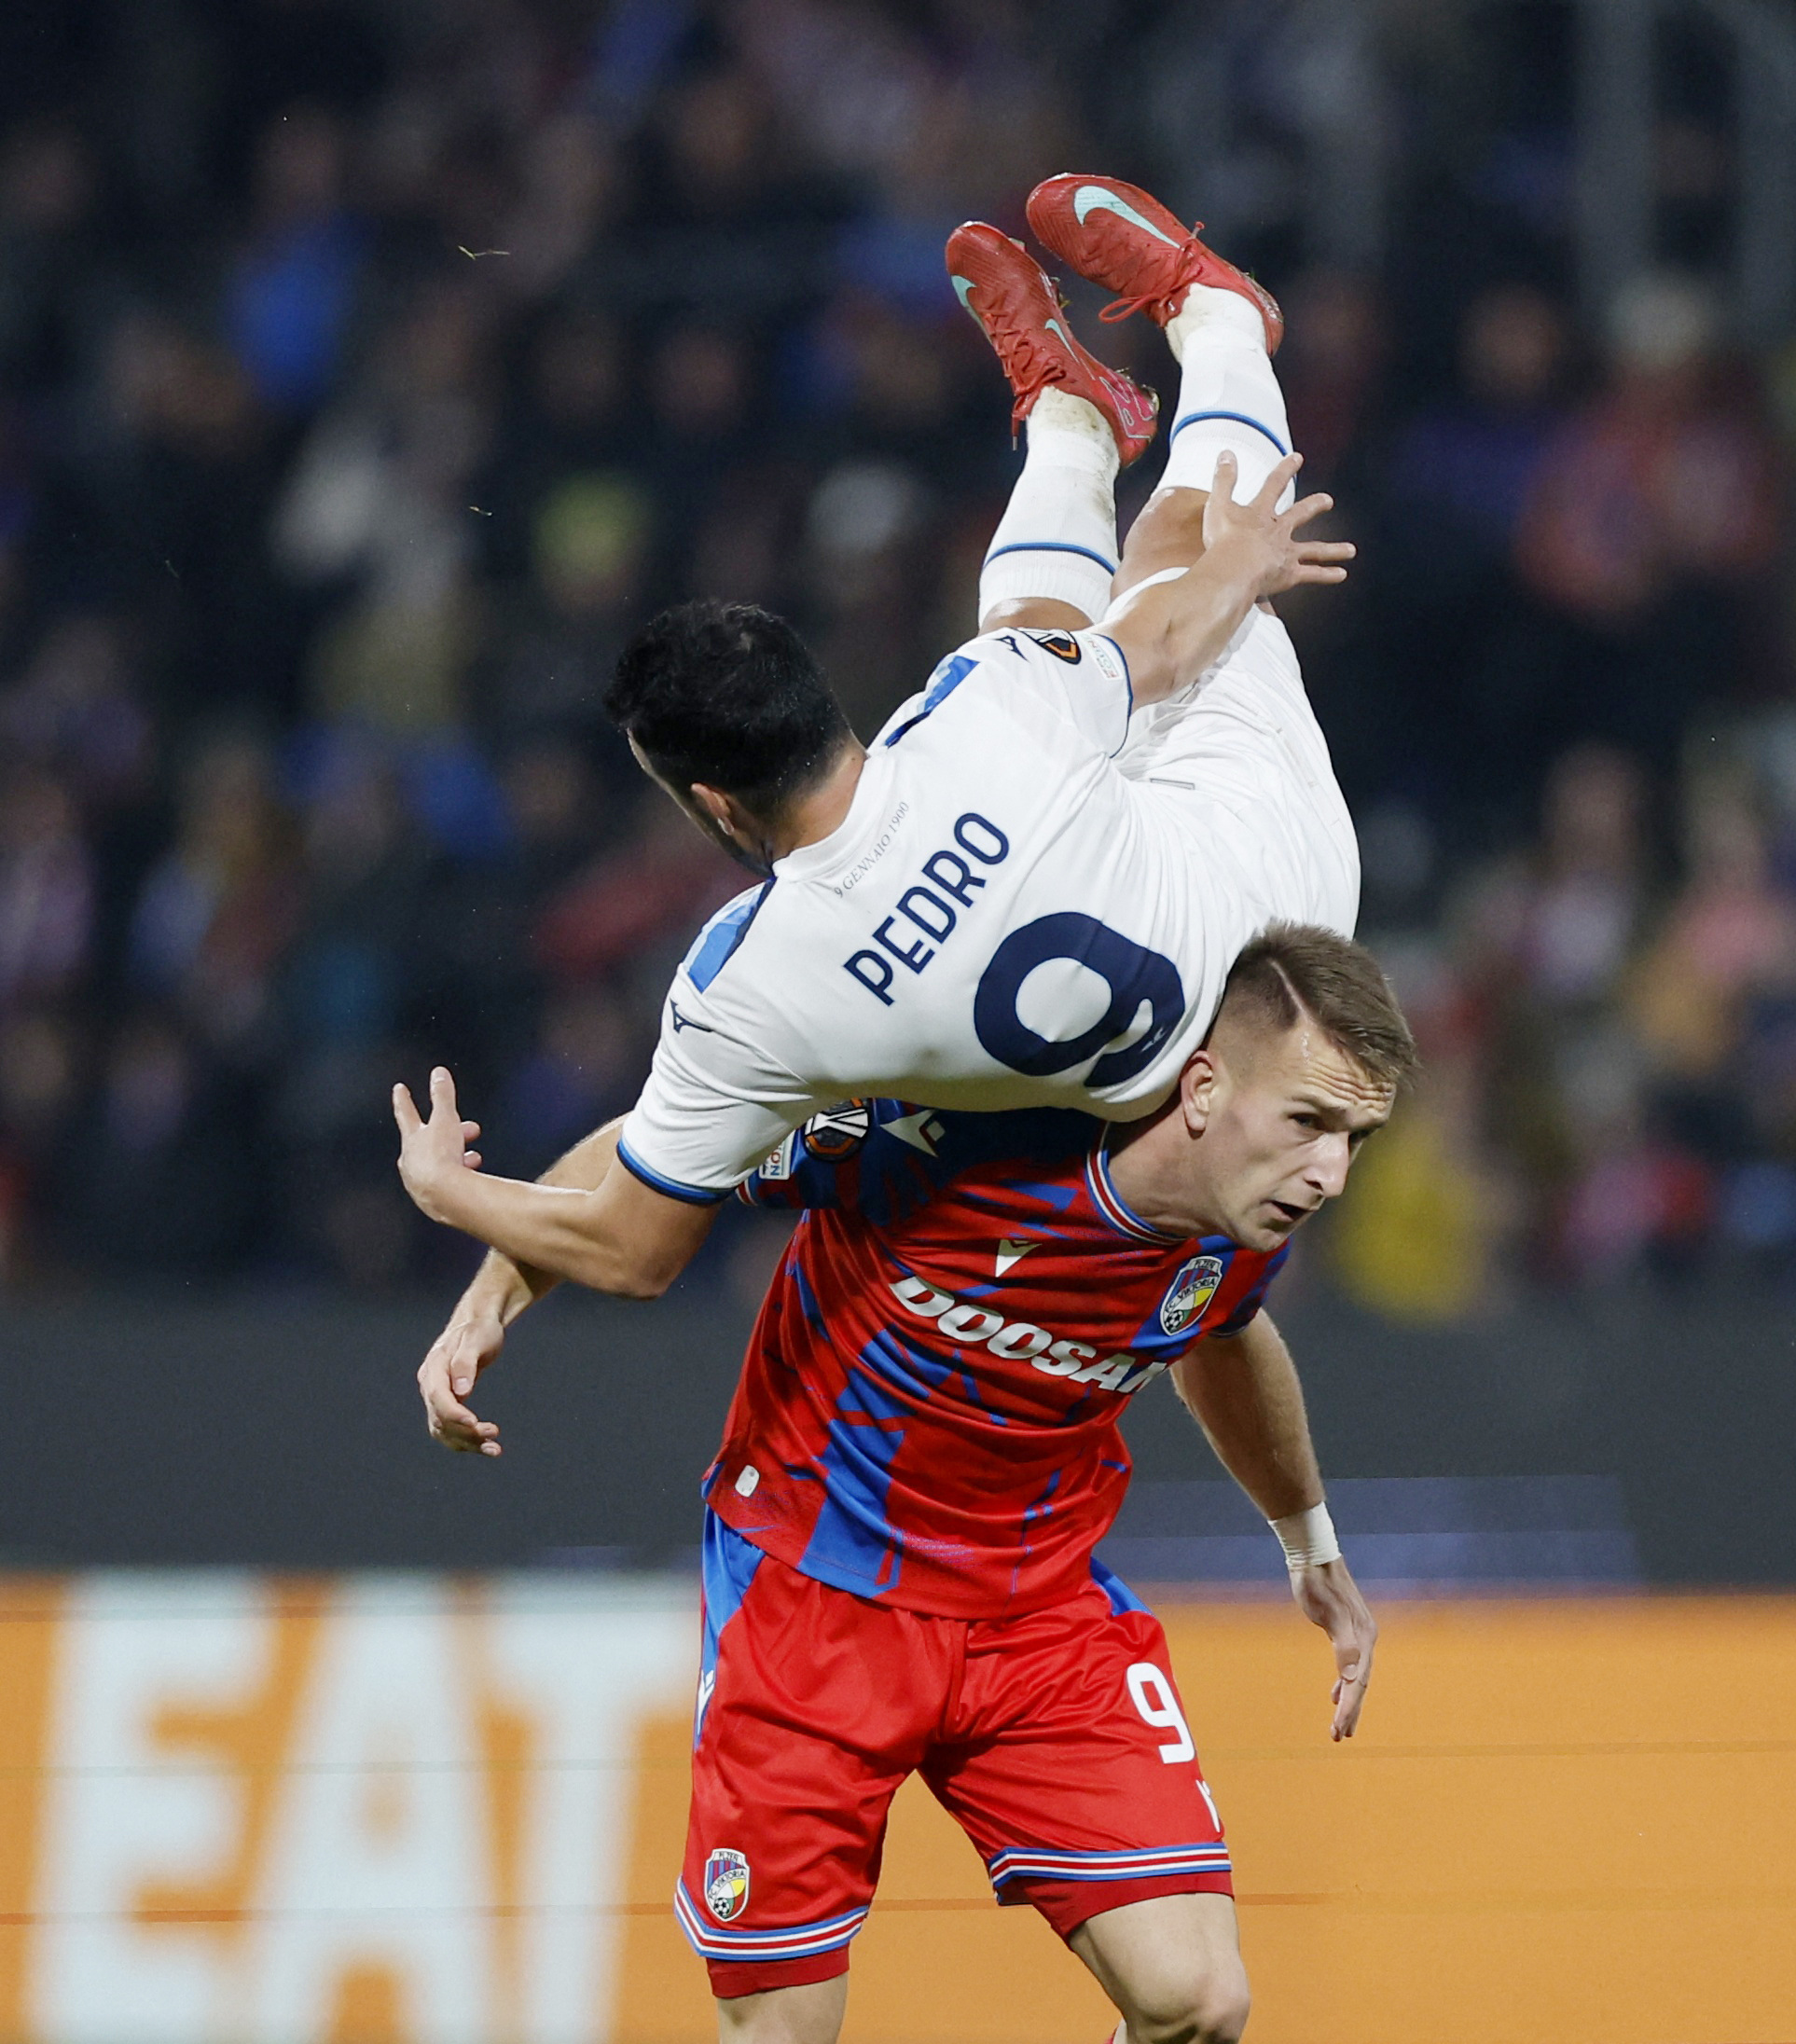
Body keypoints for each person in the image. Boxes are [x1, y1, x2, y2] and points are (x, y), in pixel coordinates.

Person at [654, 925, 1411, 2044]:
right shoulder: (953, 1128)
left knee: (1202, 2004)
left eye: (1357, 1138)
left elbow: (1222, 1329)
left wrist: (1311, 1544)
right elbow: (681, 1128)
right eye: (1310, 1123)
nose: (1332, 1172)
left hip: (1038, 1617)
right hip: (814, 1593)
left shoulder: (1229, 1226)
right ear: (1201, 1085)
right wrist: (500, 1270)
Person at [393, 175, 1361, 1434]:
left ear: (710, 805)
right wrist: (1237, 563)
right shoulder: (979, 715)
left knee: (1070, 622)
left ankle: (1089, 408)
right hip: (1258, 882)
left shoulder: (765, 989)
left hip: (1242, 999)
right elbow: (1168, 638)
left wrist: (452, 1201)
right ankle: (1210, 331)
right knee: (1165, 564)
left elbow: (633, 1239)